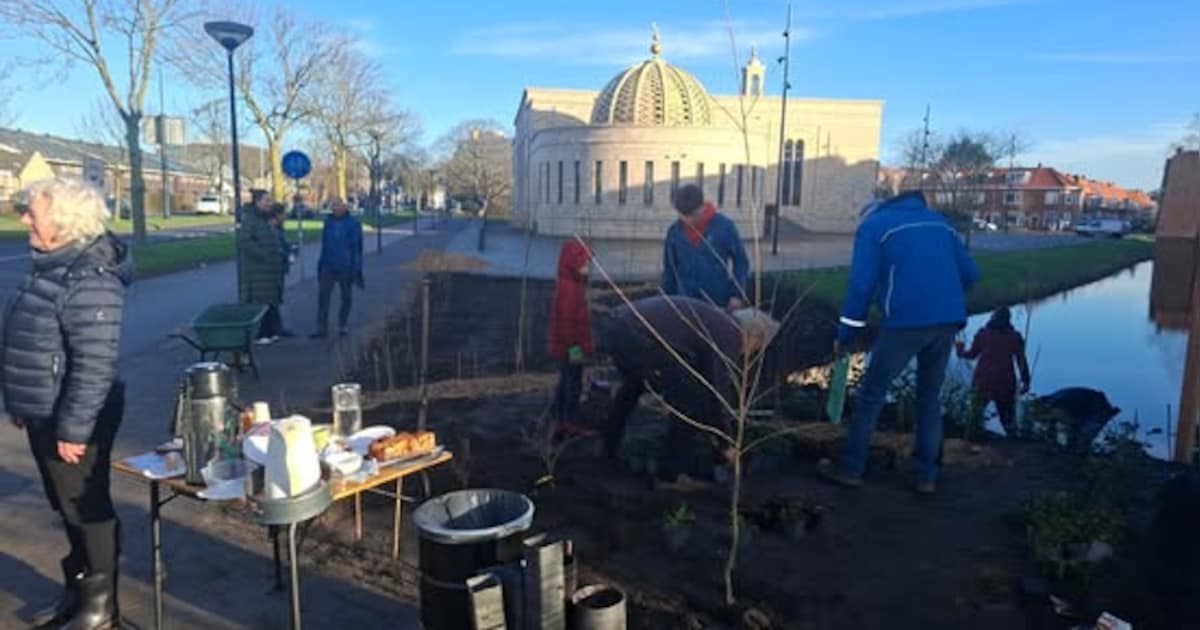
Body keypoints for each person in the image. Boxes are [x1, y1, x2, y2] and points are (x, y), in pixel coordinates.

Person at [3, 178, 131, 629]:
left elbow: (95, 364)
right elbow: (32, 345)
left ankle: (101, 610)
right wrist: (22, 402)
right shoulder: (52, 268)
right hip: (46, 411)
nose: (24, 220)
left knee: (87, 507)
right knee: (66, 505)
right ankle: (79, 592)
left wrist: (74, 429)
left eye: (32, 213)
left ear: (63, 221)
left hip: (78, 418)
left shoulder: (91, 278)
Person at [822, 191, 980, 494]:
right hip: (947, 322)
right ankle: (926, 477)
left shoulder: (875, 227)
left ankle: (851, 469)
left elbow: (860, 285)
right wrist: (945, 299)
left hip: (905, 322)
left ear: (870, 214)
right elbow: (971, 274)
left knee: (871, 395)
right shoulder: (941, 223)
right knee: (929, 398)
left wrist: (845, 333)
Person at [597, 295, 778, 482]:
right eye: (756, 348)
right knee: (689, 406)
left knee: (632, 388)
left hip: (620, 325)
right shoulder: (730, 335)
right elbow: (717, 390)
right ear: (754, 334)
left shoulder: (718, 322)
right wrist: (726, 444)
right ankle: (671, 475)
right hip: (638, 335)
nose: (749, 354)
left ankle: (607, 450)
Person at [661, 183, 749, 311]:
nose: (688, 221)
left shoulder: (725, 227)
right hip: (685, 305)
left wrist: (737, 295)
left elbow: (741, 262)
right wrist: (667, 300)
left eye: (693, 215)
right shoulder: (674, 232)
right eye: (684, 216)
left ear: (702, 207)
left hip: (717, 304)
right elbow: (669, 270)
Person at [955, 307, 1031, 437]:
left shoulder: (983, 334)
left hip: (983, 379)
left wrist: (960, 351)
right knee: (1008, 419)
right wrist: (1026, 380)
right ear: (1008, 320)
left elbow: (972, 354)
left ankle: (972, 438)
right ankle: (1012, 442)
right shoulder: (1014, 337)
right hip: (1005, 381)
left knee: (975, 414)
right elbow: (1021, 361)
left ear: (993, 317)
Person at [547, 239, 593, 435]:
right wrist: (575, 349)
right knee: (573, 381)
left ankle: (558, 415)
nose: (588, 268)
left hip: (571, 345)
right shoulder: (570, 290)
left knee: (567, 379)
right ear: (572, 264)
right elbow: (567, 322)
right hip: (572, 346)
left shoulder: (572, 285)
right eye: (584, 263)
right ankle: (568, 420)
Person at [240, 190, 290, 344]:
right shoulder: (251, 219)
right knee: (261, 302)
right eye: (267, 201)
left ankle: (271, 331)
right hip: (258, 271)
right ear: (257, 202)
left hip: (270, 271)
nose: (270, 204)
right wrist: (265, 255)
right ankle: (261, 334)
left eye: (270, 200)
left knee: (270, 301)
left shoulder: (266, 220)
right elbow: (246, 242)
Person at [312, 197, 363, 338]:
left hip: (345, 266)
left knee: (346, 297)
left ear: (346, 207)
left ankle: (343, 324)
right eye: (334, 206)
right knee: (323, 297)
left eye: (339, 206)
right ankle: (321, 328)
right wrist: (321, 264)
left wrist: (356, 268)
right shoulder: (328, 223)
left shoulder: (353, 224)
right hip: (327, 265)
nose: (336, 209)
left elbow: (357, 247)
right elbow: (324, 244)